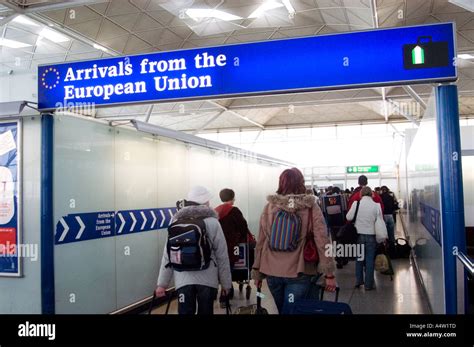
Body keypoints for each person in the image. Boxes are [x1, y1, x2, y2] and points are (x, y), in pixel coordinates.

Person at [252, 168, 337, 314]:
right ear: (301, 183)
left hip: (272, 271)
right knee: (293, 310)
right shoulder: (311, 208)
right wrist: (329, 274)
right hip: (299, 272)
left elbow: (261, 241)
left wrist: (257, 272)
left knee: (283, 310)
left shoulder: (270, 207)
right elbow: (322, 241)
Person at [155, 186, 232, 314]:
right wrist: (226, 284)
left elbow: (168, 254)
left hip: (183, 279)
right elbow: (222, 255)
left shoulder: (176, 221)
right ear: (205, 201)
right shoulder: (213, 222)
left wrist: (162, 284)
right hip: (207, 279)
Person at [215, 188, 250, 305]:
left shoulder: (215, 211)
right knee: (228, 268)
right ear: (233, 198)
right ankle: (224, 295)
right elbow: (243, 226)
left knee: (222, 269)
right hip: (232, 246)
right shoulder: (234, 211)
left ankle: (225, 291)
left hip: (217, 247)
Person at [346, 186, 383, 290]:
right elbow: (380, 221)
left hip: (359, 235)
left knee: (359, 259)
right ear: (372, 194)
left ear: (361, 194)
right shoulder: (377, 205)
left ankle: (358, 281)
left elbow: (348, 217)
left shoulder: (356, 204)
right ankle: (368, 285)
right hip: (372, 235)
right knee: (370, 260)